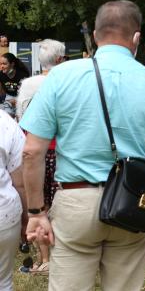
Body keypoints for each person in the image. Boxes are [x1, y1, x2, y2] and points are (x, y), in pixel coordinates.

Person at [20, 0, 145, 291]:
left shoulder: (61, 77)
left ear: (95, 36)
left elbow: (32, 151)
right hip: (133, 203)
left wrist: (36, 213)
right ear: (137, 38)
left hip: (76, 202)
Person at [16, 39, 66, 274]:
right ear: (60, 58)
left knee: (38, 205)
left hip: (34, 151)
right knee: (61, 205)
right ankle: (60, 257)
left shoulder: (27, 85)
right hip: (61, 152)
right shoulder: (67, 82)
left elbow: (21, 121)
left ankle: (42, 258)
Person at [0, 110, 27, 291]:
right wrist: (27, 216)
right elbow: (20, 182)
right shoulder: (5, 121)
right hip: (4, 216)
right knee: (3, 282)